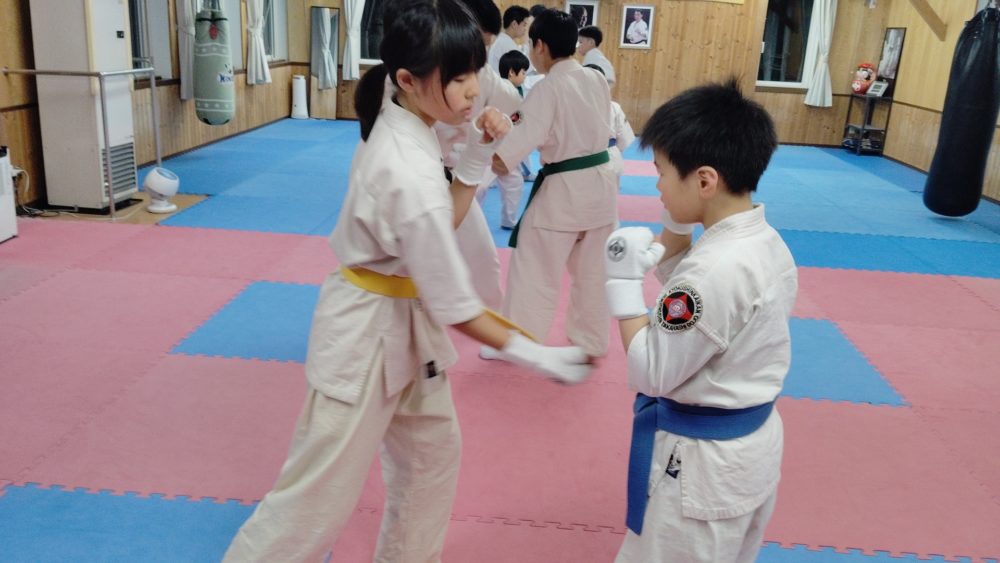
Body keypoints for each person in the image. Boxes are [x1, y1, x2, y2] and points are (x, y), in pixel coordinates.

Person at [221, 1, 592, 560]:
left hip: (408, 326)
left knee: (429, 465)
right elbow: (455, 302)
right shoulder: (405, 165)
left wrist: (477, 150)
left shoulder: (411, 120)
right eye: (457, 78)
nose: (473, 91)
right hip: (364, 335)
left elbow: (443, 224)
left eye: (475, 72)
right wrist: (536, 354)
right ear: (408, 80)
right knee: (313, 502)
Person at [601, 79, 798, 562]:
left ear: (705, 181)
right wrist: (674, 226)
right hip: (750, 452)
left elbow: (651, 370)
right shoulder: (765, 242)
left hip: (698, 470)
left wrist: (622, 285)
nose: (658, 186)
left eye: (662, 173)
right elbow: (709, 314)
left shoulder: (713, 271)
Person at [485, 9, 617, 360]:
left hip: (564, 192)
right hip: (602, 188)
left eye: (531, 45)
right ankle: (591, 342)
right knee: (593, 274)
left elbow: (508, 154)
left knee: (534, 267)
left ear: (540, 46)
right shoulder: (596, 79)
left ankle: (520, 343)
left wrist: (479, 153)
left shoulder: (547, 89)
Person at [436, 0, 523, 311]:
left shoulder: (483, 74)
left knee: (483, 260)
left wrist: (500, 133)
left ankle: (494, 320)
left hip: (456, 172)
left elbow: (516, 106)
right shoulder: (421, 69)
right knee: (419, 258)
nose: (480, 53)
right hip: (426, 174)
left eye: (485, 46)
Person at [476, 49, 532, 229]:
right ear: (511, 72)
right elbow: (516, 119)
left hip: (505, 151)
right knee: (480, 187)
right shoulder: (502, 90)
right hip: (490, 148)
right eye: (523, 72)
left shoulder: (516, 91)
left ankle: (509, 220)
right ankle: (471, 222)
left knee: (514, 182)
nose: (525, 76)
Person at [583, 63, 634, 188]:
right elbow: (624, 139)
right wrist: (614, 150)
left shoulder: (572, 108)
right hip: (610, 158)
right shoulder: (614, 107)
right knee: (609, 197)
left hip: (581, 159)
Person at [488, 5, 531, 75]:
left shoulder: (501, 39)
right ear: (514, 24)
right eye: (524, 24)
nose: (525, 28)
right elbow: (525, 69)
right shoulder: (507, 44)